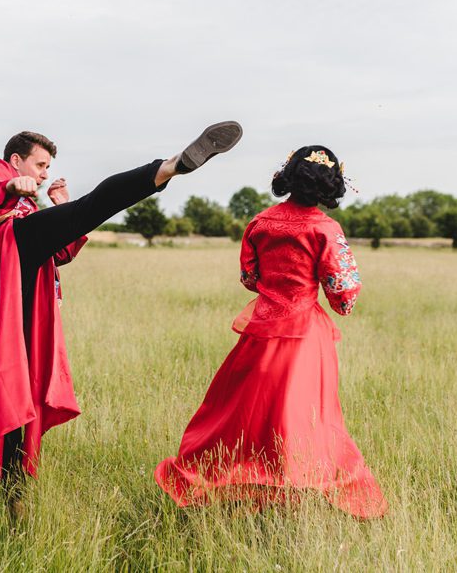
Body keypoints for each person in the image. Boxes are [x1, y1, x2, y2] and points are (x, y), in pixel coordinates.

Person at [0, 121, 243, 517]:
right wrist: (11, 187)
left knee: (18, 388)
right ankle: (167, 167)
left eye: (46, 169)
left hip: (26, 294)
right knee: (95, 205)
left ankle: (15, 498)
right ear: (15, 160)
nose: (44, 175)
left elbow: (62, 254)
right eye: (40, 166)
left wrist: (60, 207)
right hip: (2, 267)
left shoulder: (29, 206)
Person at [154, 145, 386, 518]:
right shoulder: (325, 229)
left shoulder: (260, 223)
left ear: (289, 177)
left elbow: (249, 278)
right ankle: (293, 492)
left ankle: (239, 485)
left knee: (245, 415)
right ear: (330, 186)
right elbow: (343, 297)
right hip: (304, 337)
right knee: (300, 418)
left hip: (260, 332)